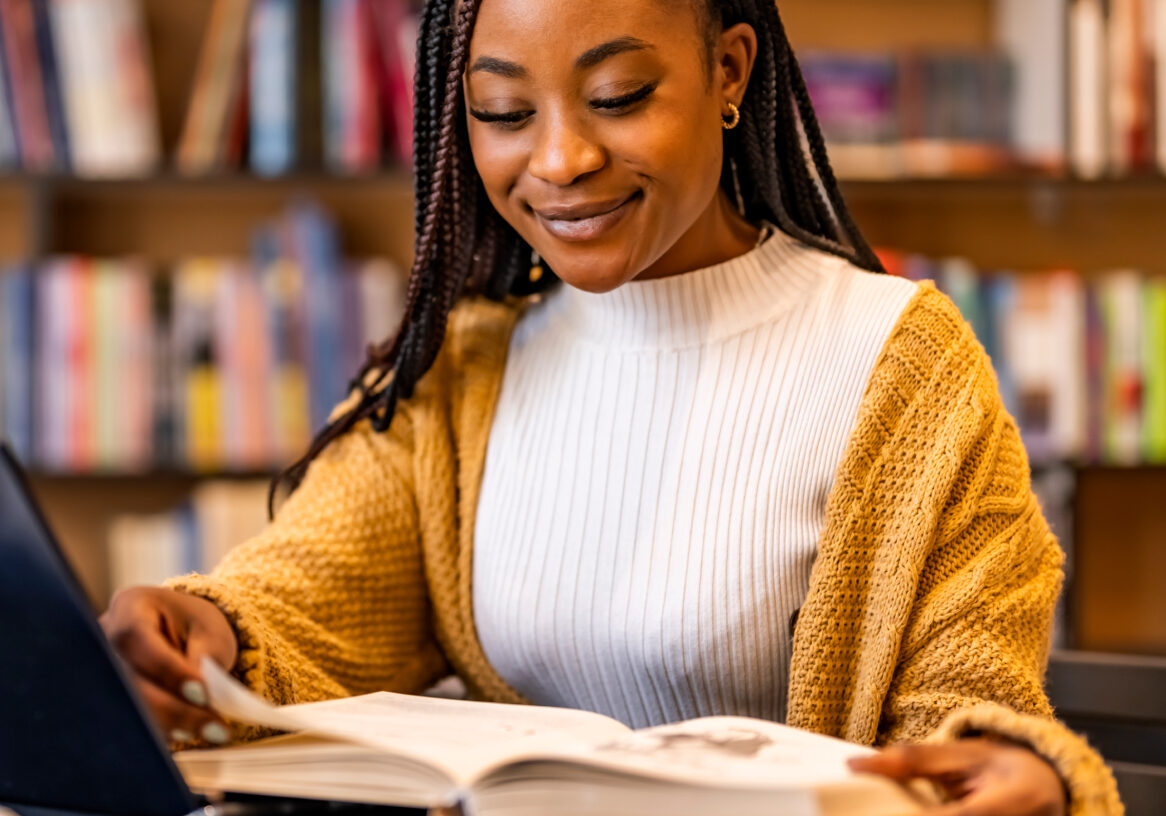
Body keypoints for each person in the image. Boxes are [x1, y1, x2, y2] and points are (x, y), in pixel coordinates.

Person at [101, 0, 1121, 813]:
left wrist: (1001, 766)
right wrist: (211, 631)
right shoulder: (464, 370)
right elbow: (303, 598)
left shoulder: (904, 365)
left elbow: (967, 696)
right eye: (502, 112)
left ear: (728, 70)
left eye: (619, 95)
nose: (557, 163)